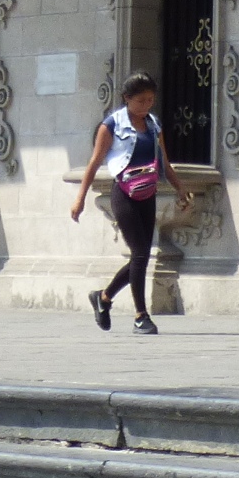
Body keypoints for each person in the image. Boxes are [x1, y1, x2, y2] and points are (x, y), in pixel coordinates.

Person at [72, 73, 170, 335]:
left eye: (150, 100)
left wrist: (180, 189)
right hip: (124, 193)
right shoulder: (111, 125)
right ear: (127, 99)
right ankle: (141, 316)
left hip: (147, 193)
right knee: (139, 254)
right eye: (141, 101)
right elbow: (94, 162)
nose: (146, 105)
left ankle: (103, 298)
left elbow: (164, 162)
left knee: (142, 256)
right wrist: (80, 198)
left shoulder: (153, 124)